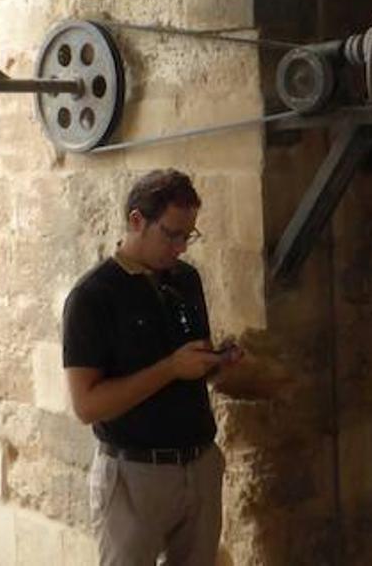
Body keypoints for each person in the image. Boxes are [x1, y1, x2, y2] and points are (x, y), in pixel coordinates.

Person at [62, 169, 243, 566]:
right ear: (136, 221)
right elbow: (86, 406)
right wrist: (171, 369)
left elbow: (192, 363)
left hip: (198, 464)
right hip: (134, 475)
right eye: (172, 234)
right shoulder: (92, 297)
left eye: (188, 236)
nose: (180, 247)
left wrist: (217, 362)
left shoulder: (186, 279)